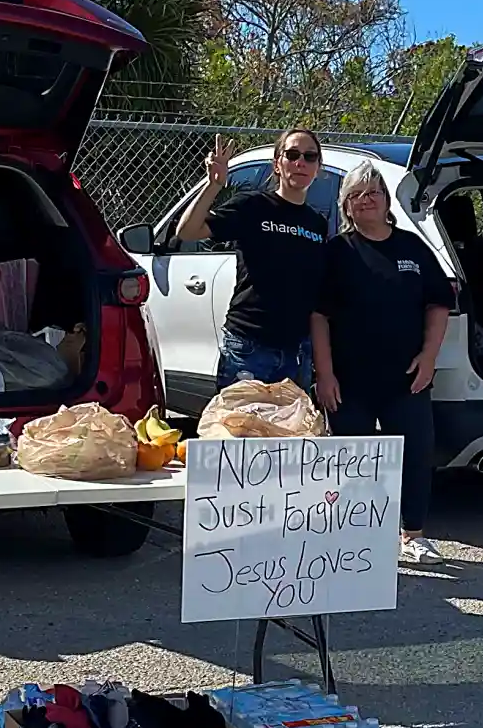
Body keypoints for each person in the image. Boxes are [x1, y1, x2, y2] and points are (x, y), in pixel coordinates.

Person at [311, 162, 454, 565]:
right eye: (356, 195)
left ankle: (413, 533)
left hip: (406, 378)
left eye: (373, 191)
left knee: (415, 453)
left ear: (387, 200)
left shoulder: (411, 247)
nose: (366, 199)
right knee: (349, 460)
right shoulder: (336, 253)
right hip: (349, 379)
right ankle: (352, 537)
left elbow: (439, 304)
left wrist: (429, 357)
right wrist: (324, 374)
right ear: (346, 206)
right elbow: (318, 315)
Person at [176, 128, 329, 389]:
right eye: (291, 155)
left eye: (309, 156)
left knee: (290, 430)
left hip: (296, 353)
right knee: (239, 427)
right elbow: (188, 231)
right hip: (248, 346)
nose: (300, 162)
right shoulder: (252, 206)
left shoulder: (317, 224)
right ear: (277, 164)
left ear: (317, 167)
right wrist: (213, 186)